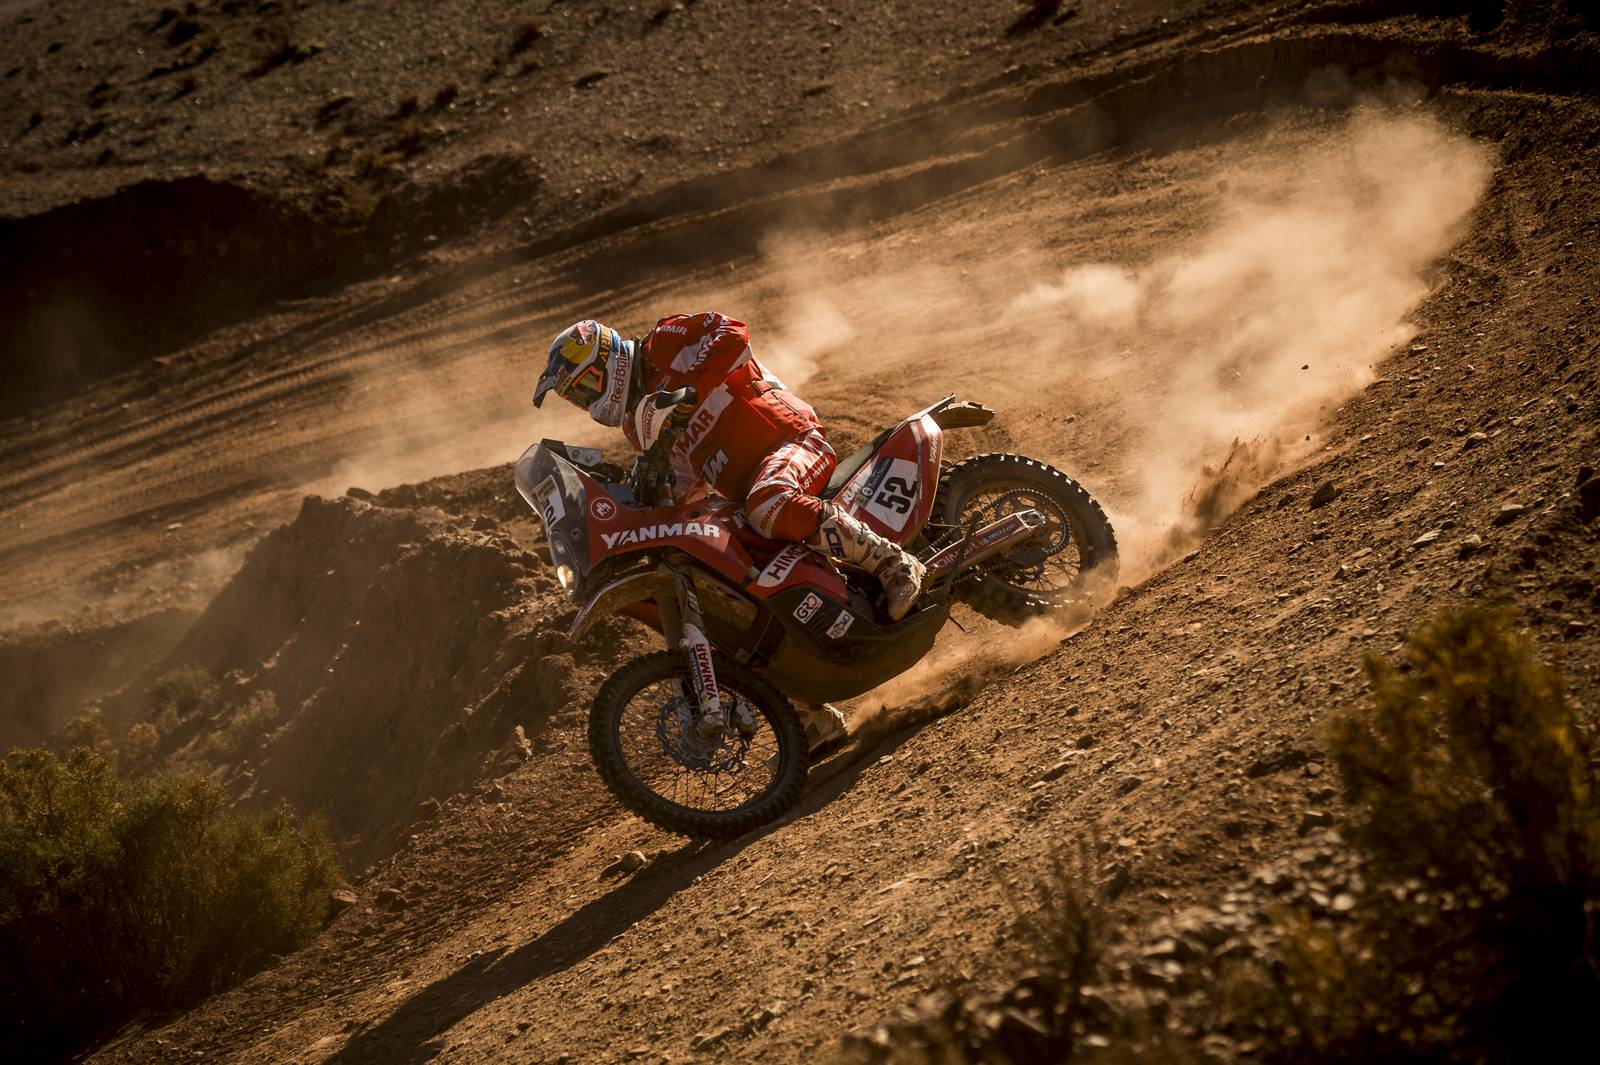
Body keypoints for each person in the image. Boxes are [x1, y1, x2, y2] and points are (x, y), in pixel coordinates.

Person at [532, 313, 926, 754]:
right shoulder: (638, 424)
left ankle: (892, 562)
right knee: (725, 582)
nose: (587, 402)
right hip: (745, 492)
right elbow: (682, 487)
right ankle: (808, 714)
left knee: (769, 501)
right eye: (577, 399)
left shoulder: (664, 344)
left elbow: (732, 332)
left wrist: (689, 390)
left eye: (585, 387)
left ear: (608, 358)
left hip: (788, 441)